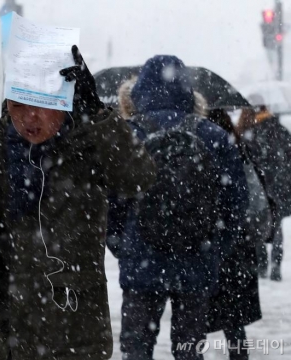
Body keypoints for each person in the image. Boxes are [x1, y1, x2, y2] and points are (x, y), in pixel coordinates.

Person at [0, 46, 157, 360]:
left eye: (42, 105)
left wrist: (96, 112)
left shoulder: (88, 138)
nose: (30, 117)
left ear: (64, 100)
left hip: (70, 328)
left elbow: (138, 177)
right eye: (19, 104)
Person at [108, 56, 248, 360]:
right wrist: (215, 246)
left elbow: (110, 202)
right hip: (196, 260)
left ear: (140, 89)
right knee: (188, 349)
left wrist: (123, 244)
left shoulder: (127, 135)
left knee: (136, 348)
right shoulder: (212, 135)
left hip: (141, 261)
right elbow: (236, 201)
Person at [205, 109, 263, 360]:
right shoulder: (239, 152)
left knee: (193, 322)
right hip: (239, 244)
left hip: (209, 245)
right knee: (234, 321)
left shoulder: (203, 152)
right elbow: (255, 201)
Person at [237, 98, 291, 281]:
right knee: (276, 228)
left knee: (259, 225)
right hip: (281, 187)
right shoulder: (282, 131)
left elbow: (248, 163)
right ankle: (275, 267)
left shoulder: (249, 132)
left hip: (260, 187)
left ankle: (262, 265)